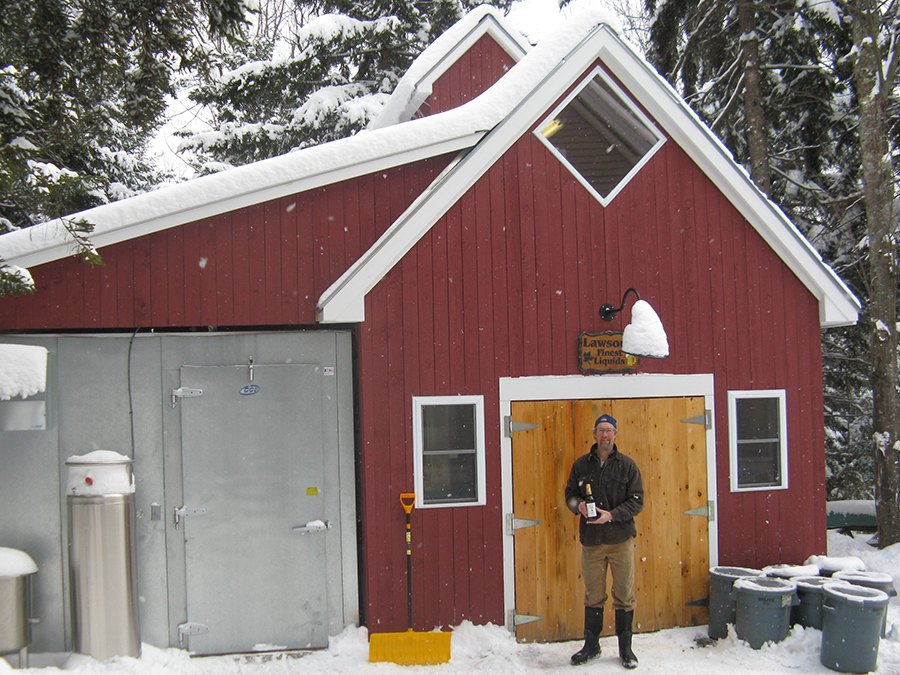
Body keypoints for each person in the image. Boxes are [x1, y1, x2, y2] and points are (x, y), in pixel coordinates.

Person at [564, 413, 644, 669]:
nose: (605, 435)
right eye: (601, 430)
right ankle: (591, 646)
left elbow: (637, 501)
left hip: (620, 540)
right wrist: (578, 507)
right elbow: (570, 496)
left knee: (624, 594)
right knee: (593, 595)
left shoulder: (628, 466)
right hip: (592, 541)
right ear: (595, 434)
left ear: (616, 435)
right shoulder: (581, 465)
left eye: (609, 430)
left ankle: (626, 649)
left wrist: (612, 515)